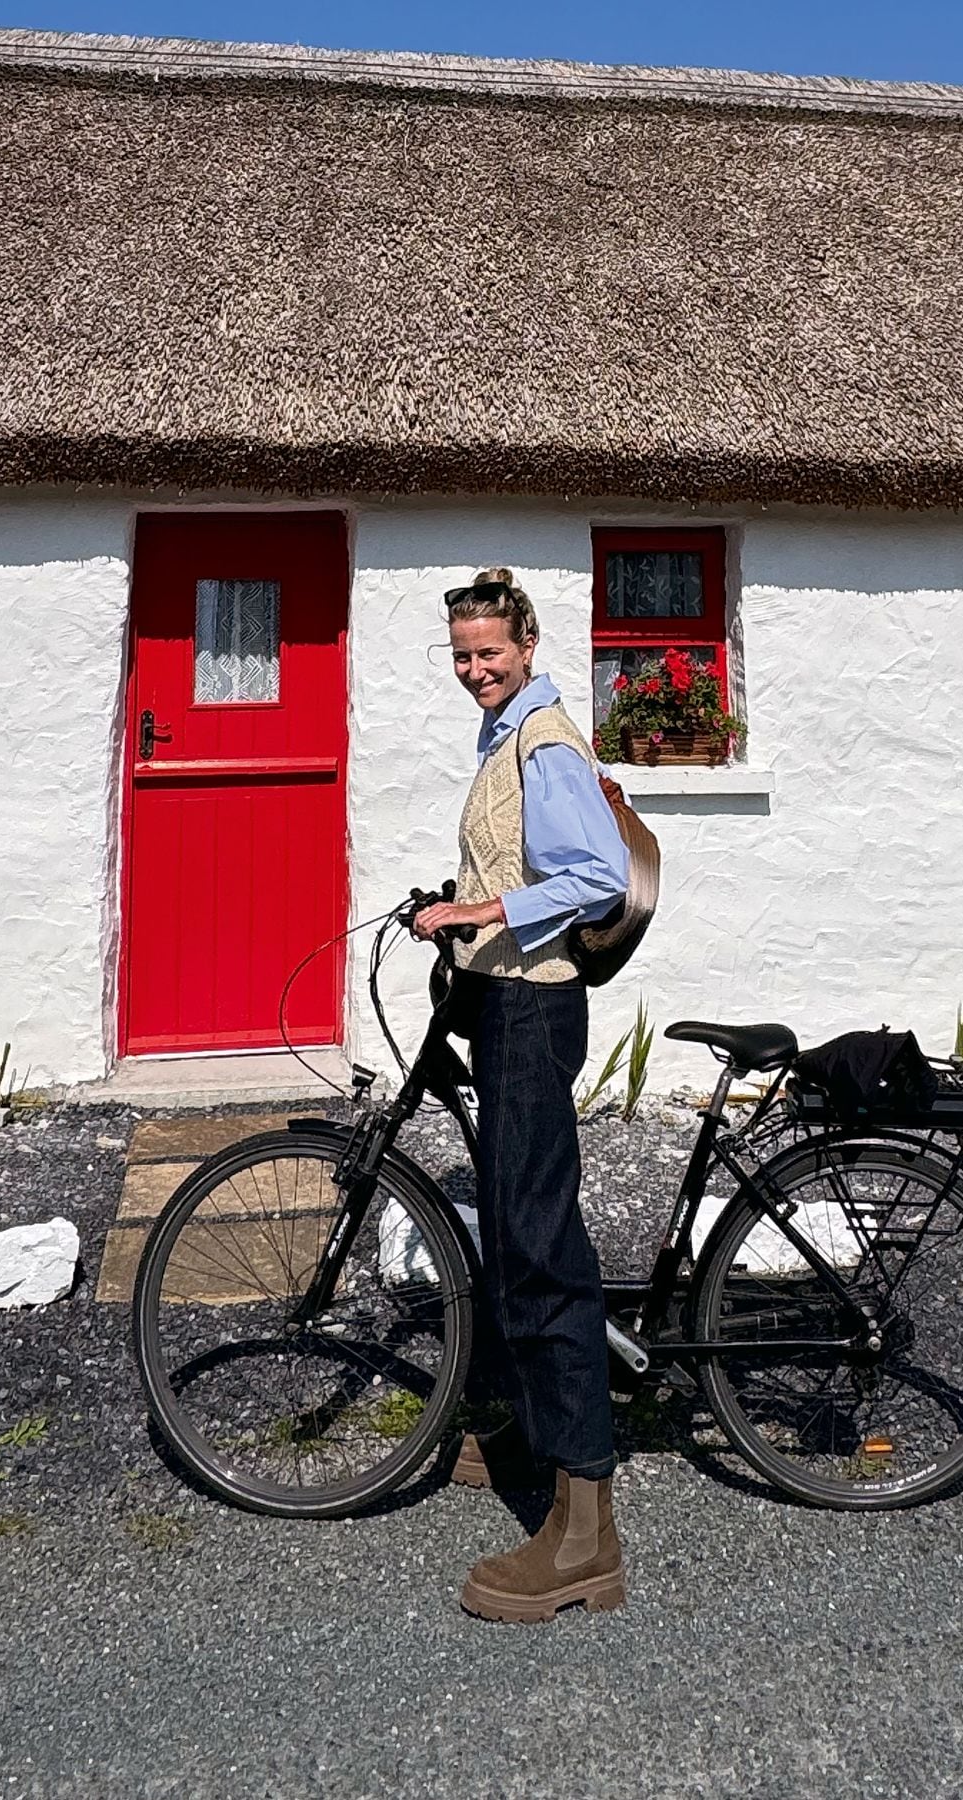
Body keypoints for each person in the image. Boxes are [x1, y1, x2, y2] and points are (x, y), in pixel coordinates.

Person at [414, 566, 630, 1623]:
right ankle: (512, 1426)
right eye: (461, 654)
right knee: (507, 1221)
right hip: (504, 999)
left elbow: (593, 876)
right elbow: (518, 864)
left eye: (489, 652)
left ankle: (585, 1529)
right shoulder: (504, 736)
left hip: (537, 1010)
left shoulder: (545, 742)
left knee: (541, 1243)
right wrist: (456, 909)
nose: (474, 669)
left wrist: (484, 905)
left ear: (529, 648)